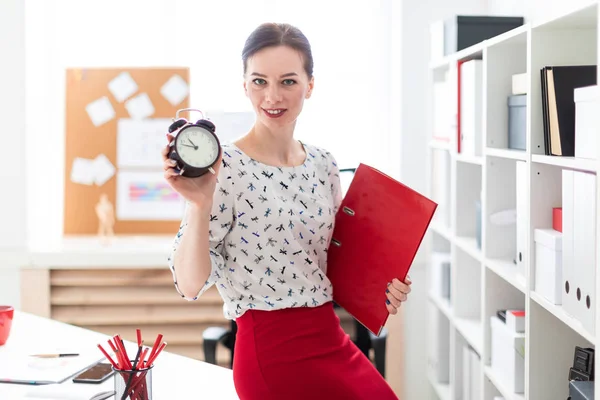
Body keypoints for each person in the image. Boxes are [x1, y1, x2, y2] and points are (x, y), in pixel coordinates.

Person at [163, 22, 412, 400]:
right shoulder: (223, 166)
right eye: (259, 81)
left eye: (288, 81)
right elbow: (189, 284)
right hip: (270, 354)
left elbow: (334, 264)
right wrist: (198, 204)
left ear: (310, 85)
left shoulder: (323, 164)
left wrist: (384, 287)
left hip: (330, 339)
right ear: (244, 84)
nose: (272, 96)